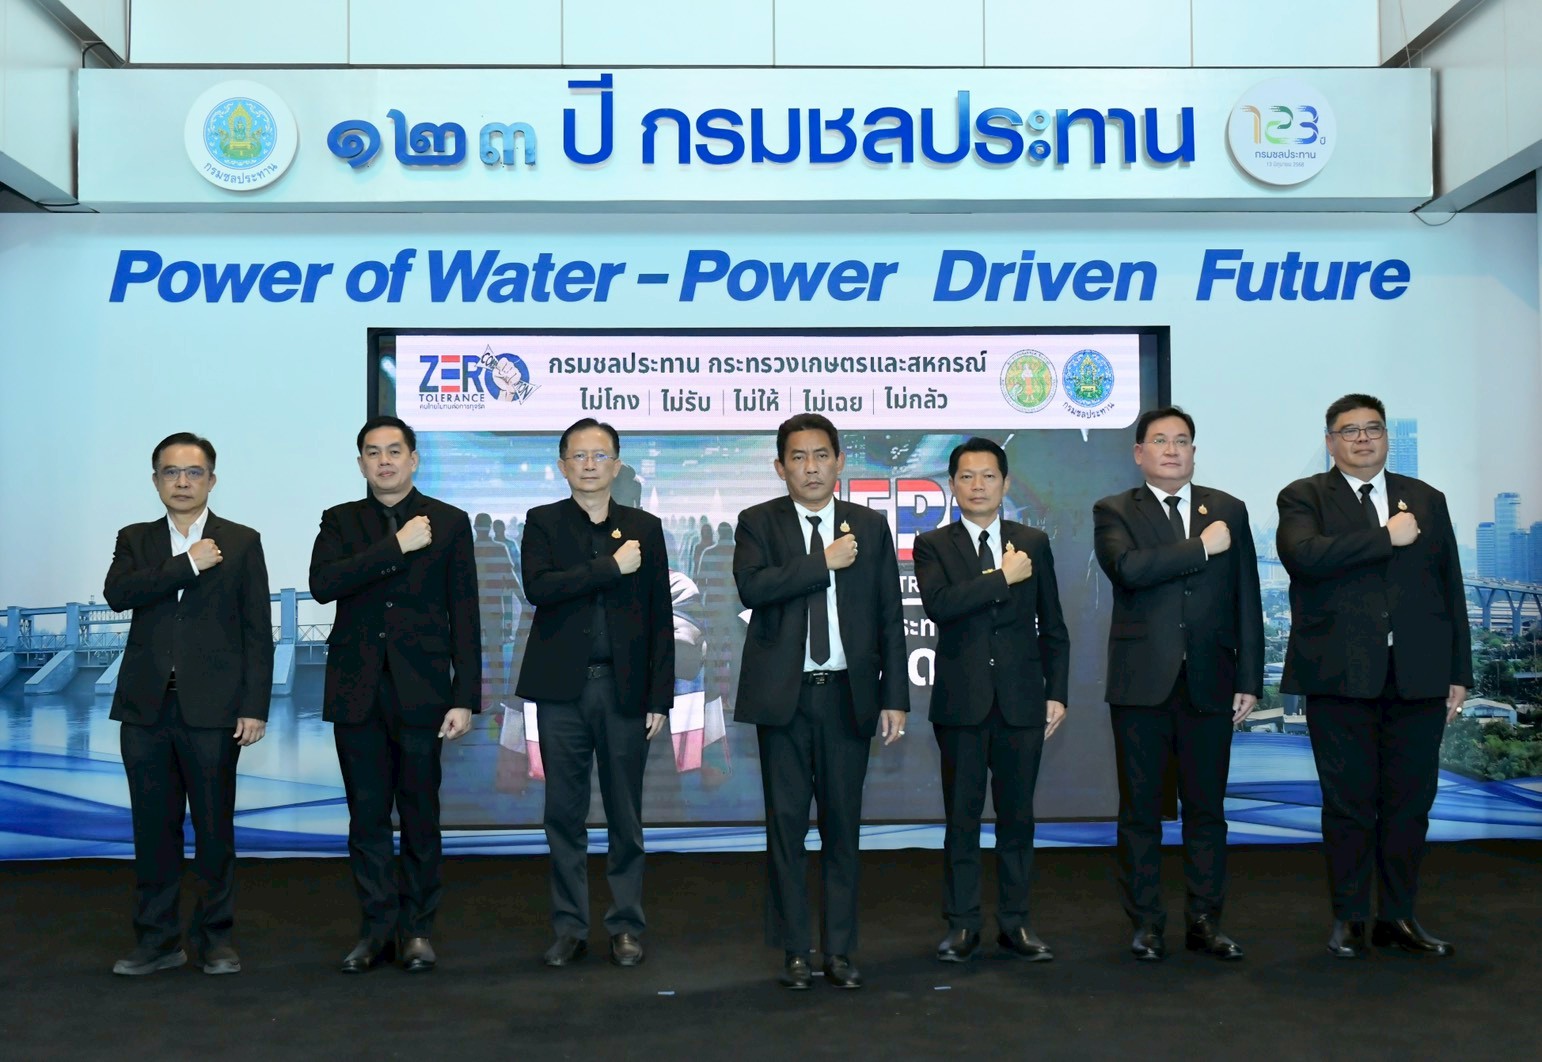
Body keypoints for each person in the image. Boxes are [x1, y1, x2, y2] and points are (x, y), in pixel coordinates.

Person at [1277, 394, 1470, 958]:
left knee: (1410, 806)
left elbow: (1451, 587)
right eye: (1350, 430)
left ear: (1386, 437)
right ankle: (1350, 917)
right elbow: (1303, 556)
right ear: (1330, 441)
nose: (1363, 439)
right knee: (1348, 807)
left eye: (1373, 429)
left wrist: (1458, 670)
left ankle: (1398, 917)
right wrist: (1386, 536)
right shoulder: (1304, 496)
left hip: (1418, 676)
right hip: (1339, 676)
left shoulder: (1426, 499)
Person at [733, 413, 907, 990]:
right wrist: (820, 563)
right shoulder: (758, 522)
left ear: (839, 462)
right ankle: (794, 950)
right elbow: (752, 588)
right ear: (780, 467)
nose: (811, 467)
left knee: (843, 829)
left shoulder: (870, 526)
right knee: (785, 829)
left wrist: (895, 697)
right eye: (798, 458)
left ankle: (839, 950)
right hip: (784, 701)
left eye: (821, 455)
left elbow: (889, 615)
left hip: (847, 699)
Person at [309, 415, 480, 974]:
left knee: (421, 815)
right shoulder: (340, 520)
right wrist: (396, 546)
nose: (384, 461)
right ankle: (376, 930)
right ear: (361, 462)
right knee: (367, 818)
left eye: (394, 451)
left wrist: (464, 695)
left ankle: (418, 931)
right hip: (356, 689)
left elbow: (465, 614)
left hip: (423, 690)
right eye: (372, 452)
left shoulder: (450, 522)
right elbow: (323, 585)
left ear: (413, 459)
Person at [1092, 407, 1262, 962]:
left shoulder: (1228, 510)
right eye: (1160, 440)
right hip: (1141, 684)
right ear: (1139, 453)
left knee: (1207, 811)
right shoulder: (1114, 510)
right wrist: (1201, 548)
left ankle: (1205, 922)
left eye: (1182, 440)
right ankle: (1145, 924)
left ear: (1194, 451)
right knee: (1140, 813)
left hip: (1211, 683)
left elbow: (1246, 597)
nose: (1172, 449)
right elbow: (1128, 569)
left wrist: (1249, 677)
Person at [104, 432, 272, 977]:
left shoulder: (241, 541)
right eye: (171, 472)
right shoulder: (135, 539)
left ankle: (216, 939)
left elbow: (257, 631)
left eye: (193, 472)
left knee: (214, 829)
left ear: (212, 480)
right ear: (156, 481)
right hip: (145, 710)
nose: (182, 482)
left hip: (215, 711)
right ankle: (157, 941)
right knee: (153, 831)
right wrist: (187, 564)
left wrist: (255, 706)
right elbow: (118, 595)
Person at [516, 419, 673, 969]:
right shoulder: (542, 523)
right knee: (563, 814)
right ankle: (570, 928)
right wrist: (609, 567)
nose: (589, 464)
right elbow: (541, 588)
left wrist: (659, 697)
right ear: (562, 466)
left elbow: (659, 617)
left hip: (625, 690)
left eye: (599, 455)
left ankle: (626, 925)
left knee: (626, 816)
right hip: (561, 691)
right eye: (578, 456)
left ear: (617, 465)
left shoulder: (645, 529)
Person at [913, 437, 1069, 964]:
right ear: (952, 485)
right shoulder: (933, 544)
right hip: (961, 703)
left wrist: (1057, 692)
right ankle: (961, 925)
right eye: (967, 476)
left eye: (988, 476)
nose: (977, 486)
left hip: (1022, 701)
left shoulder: (1033, 542)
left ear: (1005, 484)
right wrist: (1003, 578)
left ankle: (1015, 922)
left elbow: (1054, 626)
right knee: (961, 818)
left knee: (1018, 818)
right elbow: (941, 605)